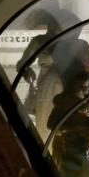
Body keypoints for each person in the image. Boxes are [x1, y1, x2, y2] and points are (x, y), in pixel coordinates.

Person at [16, 9, 65, 139]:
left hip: (63, 84)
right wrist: (26, 71)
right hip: (47, 85)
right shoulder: (39, 41)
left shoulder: (67, 41)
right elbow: (21, 62)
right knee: (45, 121)